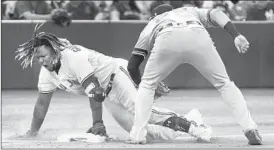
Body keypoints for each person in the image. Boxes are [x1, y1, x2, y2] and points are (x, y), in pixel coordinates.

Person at [15, 24, 212, 143]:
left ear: (54, 50)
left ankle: (192, 126)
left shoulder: (72, 58)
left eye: (42, 56)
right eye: (37, 58)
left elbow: (94, 89)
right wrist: (32, 132)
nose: (41, 61)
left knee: (143, 112)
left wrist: (98, 123)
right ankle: (187, 121)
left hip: (116, 76)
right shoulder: (47, 73)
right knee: (141, 133)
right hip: (105, 93)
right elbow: (42, 104)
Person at [126, 4, 262, 145]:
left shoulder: (153, 22)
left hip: (166, 35)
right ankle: (249, 127)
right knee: (224, 84)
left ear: (153, 16)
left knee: (147, 85)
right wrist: (236, 34)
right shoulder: (188, 10)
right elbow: (216, 13)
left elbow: (132, 66)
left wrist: (142, 85)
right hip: (196, 33)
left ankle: (138, 134)